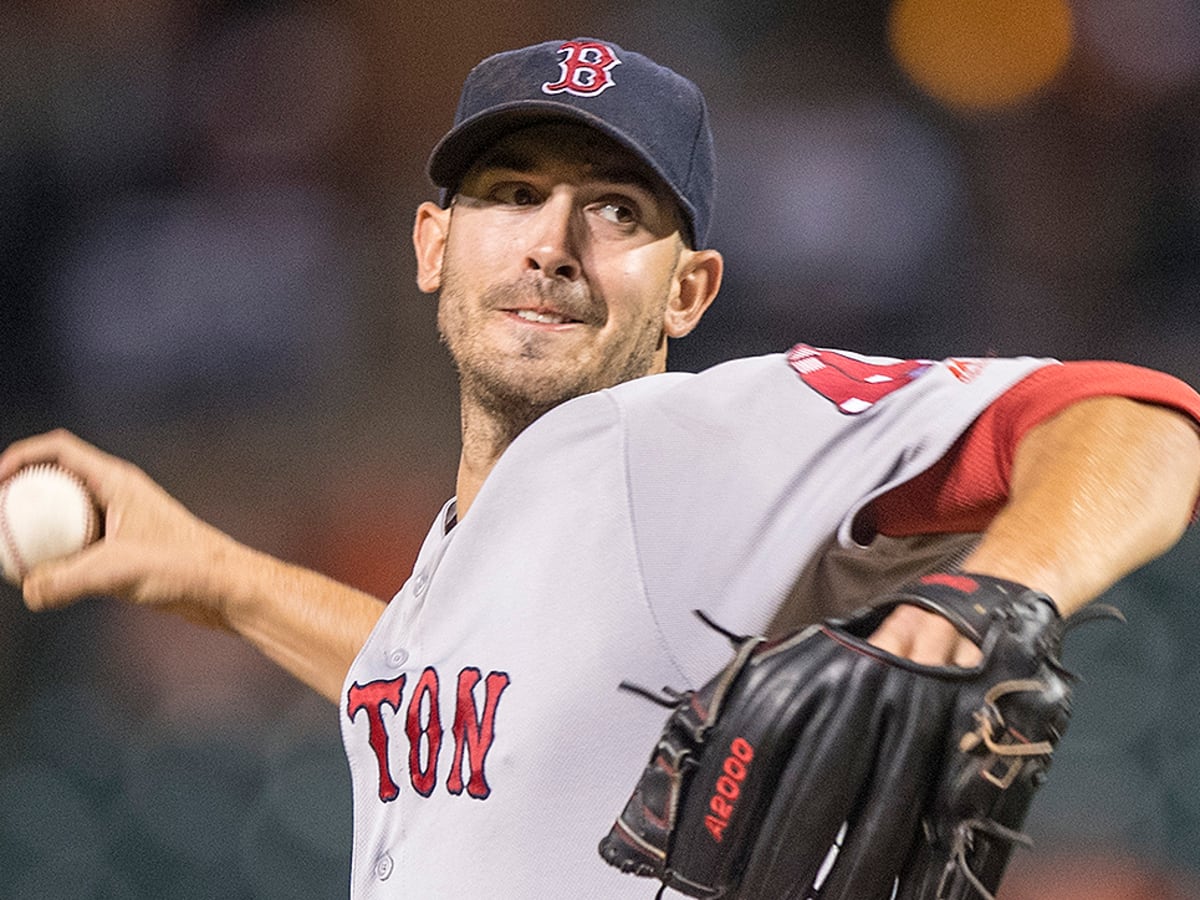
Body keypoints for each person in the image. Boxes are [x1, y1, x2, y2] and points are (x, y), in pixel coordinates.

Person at [2, 37, 1200, 899]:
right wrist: (213, 574)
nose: (553, 244)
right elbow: (428, 684)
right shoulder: (490, 535)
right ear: (433, 246)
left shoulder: (685, 438)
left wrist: (996, 594)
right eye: (512, 195)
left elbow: (1139, 418)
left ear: (691, 290)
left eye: (617, 211)